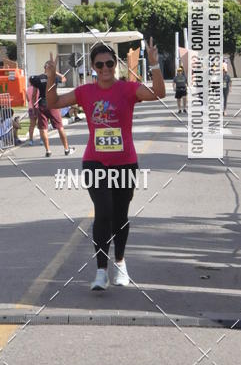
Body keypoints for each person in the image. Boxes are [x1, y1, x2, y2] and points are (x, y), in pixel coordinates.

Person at [45, 39, 165, 291]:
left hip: (125, 163)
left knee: (120, 216)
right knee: (103, 211)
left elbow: (158, 93)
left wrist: (154, 64)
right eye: (99, 65)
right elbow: (53, 103)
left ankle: (120, 263)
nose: (105, 68)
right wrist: (50, 78)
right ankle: (101, 271)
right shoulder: (85, 92)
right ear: (93, 67)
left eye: (109, 63)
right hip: (95, 162)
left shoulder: (127, 89)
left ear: (116, 65)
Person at [29, 63, 74, 158]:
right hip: (53, 105)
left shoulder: (37, 78)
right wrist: (56, 72)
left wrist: (34, 107)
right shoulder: (54, 78)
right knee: (60, 126)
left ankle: (48, 151)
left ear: (44, 68)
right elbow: (64, 79)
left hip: (42, 105)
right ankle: (66, 149)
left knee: (43, 128)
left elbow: (34, 95)